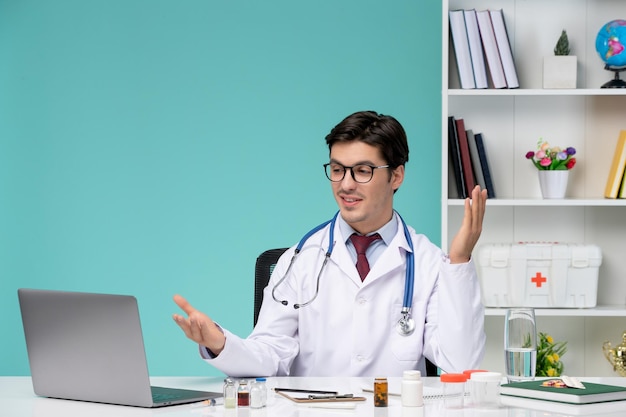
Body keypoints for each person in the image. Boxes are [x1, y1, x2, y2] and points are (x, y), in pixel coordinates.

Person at [173, 110, 487, 377]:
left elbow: (461, 363)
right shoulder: (301, 259)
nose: (345, 184)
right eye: (337, 170)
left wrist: (459, 260)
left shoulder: (428, 261)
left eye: (362, 171)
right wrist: (220, 343)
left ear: (396, 176)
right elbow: (271, 353)